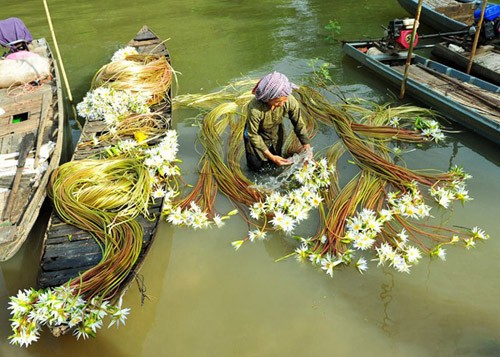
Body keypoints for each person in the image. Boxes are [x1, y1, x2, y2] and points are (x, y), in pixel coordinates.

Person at [244, 71, 311, 172]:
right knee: (256, 166)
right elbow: (252, 135)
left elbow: (298, 123)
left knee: (275, 160)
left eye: (284, 100)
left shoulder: (289, 100)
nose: (282, 104)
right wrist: (271, 156)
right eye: (278, 101)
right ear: (268, 98)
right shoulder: (255, 109)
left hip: (275, 131)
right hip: (255, 135)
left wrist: (307, 148)